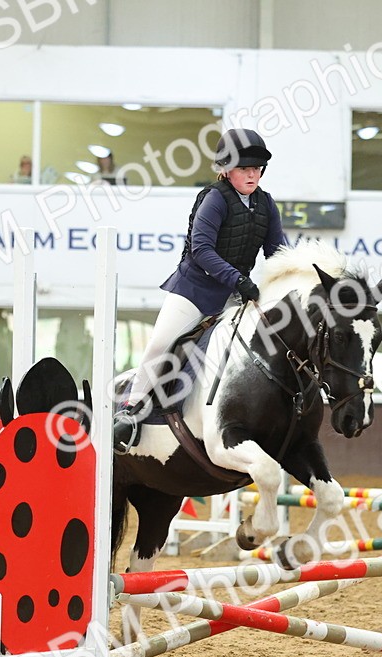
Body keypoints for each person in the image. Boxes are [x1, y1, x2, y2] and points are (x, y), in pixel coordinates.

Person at [112, 128, 288, 454]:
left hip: (235, 296)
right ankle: (129, 413)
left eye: (257, 168)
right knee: (160, 344)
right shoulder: (214, 199)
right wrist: (239, 280)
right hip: (195, 291)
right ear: (226, 169)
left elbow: (278, 251)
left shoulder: (265, 204)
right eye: (244, 168)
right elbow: (202, 250)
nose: (252, 174)